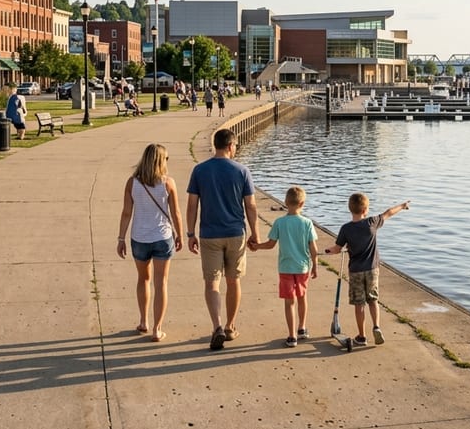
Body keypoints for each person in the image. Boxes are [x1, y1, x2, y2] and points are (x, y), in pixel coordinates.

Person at [186, 128, 260, 350]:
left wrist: (191, 233)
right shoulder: (242, 171)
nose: (235, 149)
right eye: (235, 146)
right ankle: (229, 326)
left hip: (209, 234)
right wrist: (255, 233)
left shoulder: (199, 170)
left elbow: (192, 205)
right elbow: (251, 205)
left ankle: (216, 325)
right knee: (233, 280)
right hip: (236, 233)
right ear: (230, 146)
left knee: (212, 282)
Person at [323, 194, 410, 346]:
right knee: (373, 300)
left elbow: (337, 249)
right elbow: (388, 212)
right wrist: (402, 206)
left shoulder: (346, 229)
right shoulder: (372, 222)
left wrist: (328, 251)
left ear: (350, 209)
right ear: (365, 209)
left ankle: (362, 336)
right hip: (372, 269)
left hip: (356, 271)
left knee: (359, 304)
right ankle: (376, 326)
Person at [117, 144, 184, 342]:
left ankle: (143, 321)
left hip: (139, 237)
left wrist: (121, 238)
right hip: (163, 237)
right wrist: (181, 235)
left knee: (143, 279)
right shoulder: (168, 183)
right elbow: (176, 213)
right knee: (161, 282)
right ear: (161, 161)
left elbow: (126, 213)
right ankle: (157, 328)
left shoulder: (132, 183)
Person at [253, 186, 319, 346]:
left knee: (289, 302)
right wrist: (315, 266)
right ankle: (302, 328)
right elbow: (313, 248)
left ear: (285, 202)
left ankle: (291, 336)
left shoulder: (279, 223)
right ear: (302, 203)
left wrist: (257, 246)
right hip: (303, 267)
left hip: (285, 268)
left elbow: (270, 244)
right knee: (302, 298)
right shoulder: (307, 223)